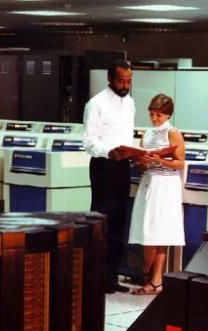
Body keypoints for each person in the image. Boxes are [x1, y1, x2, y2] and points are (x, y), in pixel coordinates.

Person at [83, 60, 136, 293]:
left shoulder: (130, 103)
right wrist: (109, 152)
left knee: (119, 222)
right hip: (103, 165)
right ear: (110, 79)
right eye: (121, 81)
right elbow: (89, 141)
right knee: (102, 221)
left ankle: (112, 277)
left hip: (123, 166)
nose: (125, 85)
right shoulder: (96, 104)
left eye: (128, 81)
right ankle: (97, 278)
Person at [128, 93, 185, 295]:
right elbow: (140, 163)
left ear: (168, 114)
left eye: (158, 115)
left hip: (166, 185)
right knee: (147, 230)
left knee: (160, 232)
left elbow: (180, 163)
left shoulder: (173, 133)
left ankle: (154, 278)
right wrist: (141, 162)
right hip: (148, 183)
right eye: (152, 114)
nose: (154, 119)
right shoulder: (147, 134)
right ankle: (150, 275)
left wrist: (159, 160)